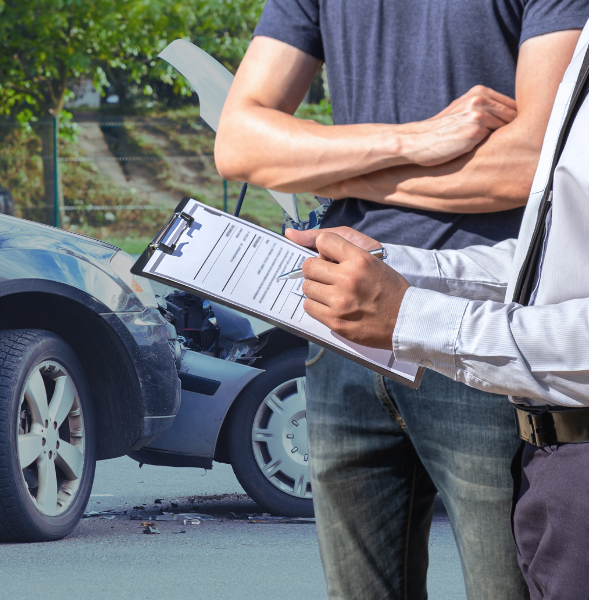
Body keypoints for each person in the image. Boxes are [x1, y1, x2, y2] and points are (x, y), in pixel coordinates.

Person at [215, 2, 589, 598]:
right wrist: (417, 139)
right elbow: (240, 145)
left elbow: (534, 162)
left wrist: (326, 169)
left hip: (483, 324)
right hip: (341, 321)